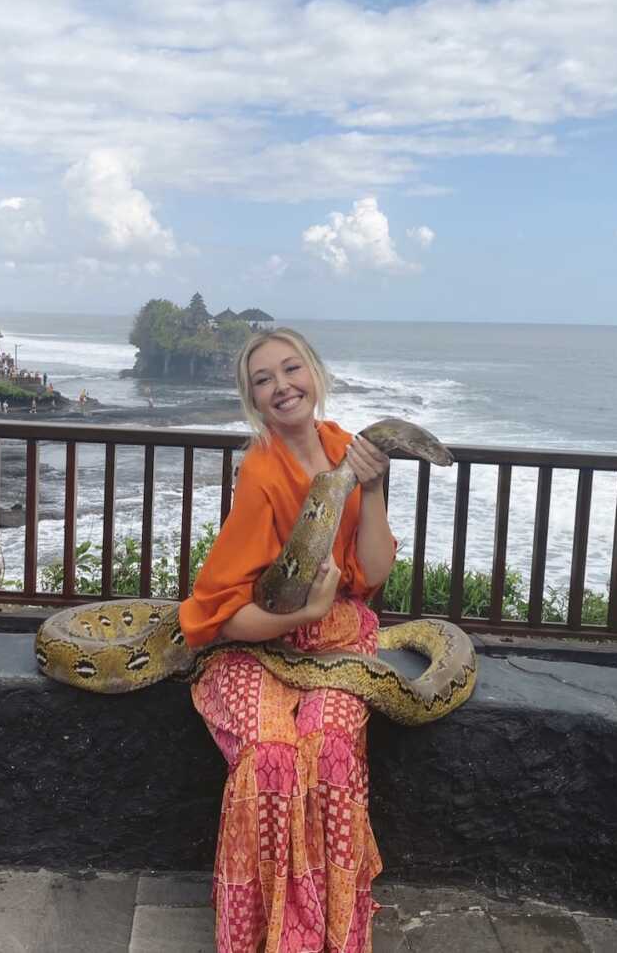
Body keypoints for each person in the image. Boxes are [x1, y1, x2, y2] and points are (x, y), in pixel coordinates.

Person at [179, 328, 396, 953]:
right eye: (263, 380)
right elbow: (221, 613)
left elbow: (373, 573)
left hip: (340, 641)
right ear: (253, 400)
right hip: (258, 642)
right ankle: (261, 938)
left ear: (315, 374)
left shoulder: (346, 452)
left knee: (328, 748)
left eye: (290, 369)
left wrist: (373, 488)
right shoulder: (261, 474)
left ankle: (336, 933)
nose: (282, 386)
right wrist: (304, 611)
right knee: (271, 755)